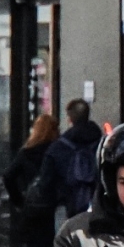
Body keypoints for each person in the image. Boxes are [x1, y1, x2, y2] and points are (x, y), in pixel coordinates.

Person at [3, 111, 60, 247]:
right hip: (54, 210)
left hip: (33, 213)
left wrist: (19, 201)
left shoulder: (26, 153)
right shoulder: (56, 151)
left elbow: (8, 176)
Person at [36, 97, 101, 231]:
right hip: (97, 208)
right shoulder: (102, 144)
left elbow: (45, 184)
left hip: (66, 208)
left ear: (70, 119)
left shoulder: (57, 148)